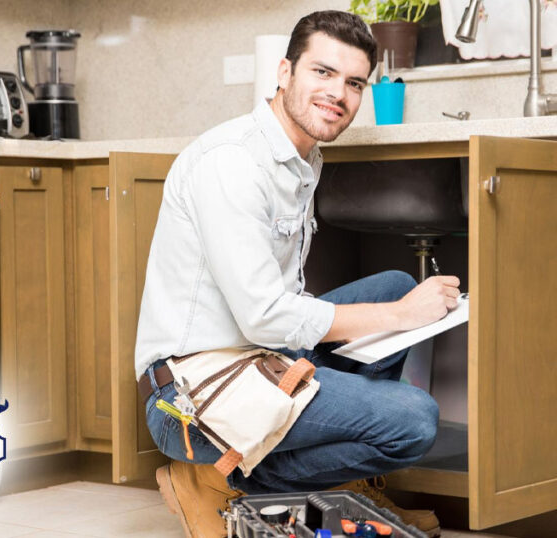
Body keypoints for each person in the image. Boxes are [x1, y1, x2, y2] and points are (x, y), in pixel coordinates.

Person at [135, 10, 461, 538]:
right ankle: (217, 484)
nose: (338, 94)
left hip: (256, 358)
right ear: (285, 72)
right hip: (192, 397)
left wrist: (400, 308)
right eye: (322, 73)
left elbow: (277, 314)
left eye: (354, 83)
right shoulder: (233, 163)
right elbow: (264, 316)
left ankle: (344, 490)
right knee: (413, 419)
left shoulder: (302, 159)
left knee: (394, 286)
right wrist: (403, 315)